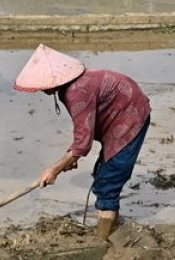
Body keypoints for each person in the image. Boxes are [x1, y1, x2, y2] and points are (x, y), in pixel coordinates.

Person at [14, 44, 151, 243]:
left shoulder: (77, 91)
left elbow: (82, 144)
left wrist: (54, 169)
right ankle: (112, 228)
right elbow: (83, 132)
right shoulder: (69, 88)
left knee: (108, 182)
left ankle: (103, 241)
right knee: (102, 175)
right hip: (119, 114)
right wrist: (71, 157)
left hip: (130, 117)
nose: (41, 88)